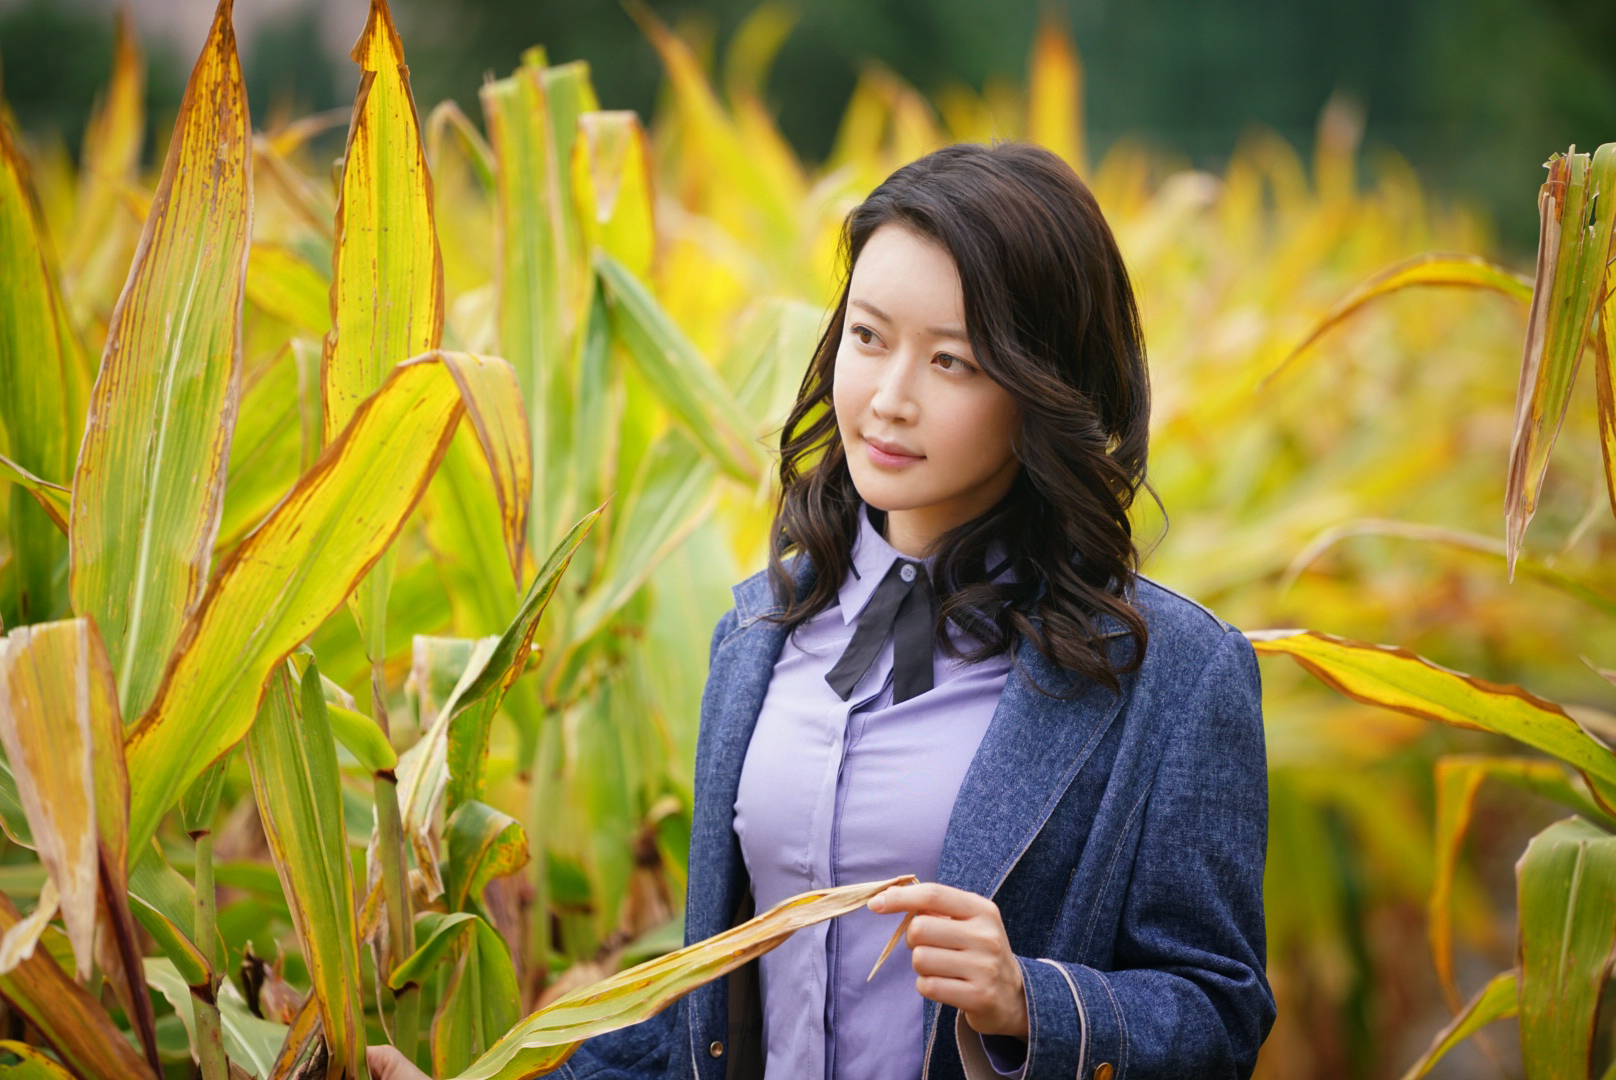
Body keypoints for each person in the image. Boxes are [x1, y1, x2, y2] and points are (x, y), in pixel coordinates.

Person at [371, 141, 1273, 1080]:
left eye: (953, 362)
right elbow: (707, 1029)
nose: (889, 400)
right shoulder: (761, 636)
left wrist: (1028, 1003)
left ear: (1044, 386)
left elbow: (1220, 1011)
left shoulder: (1170, 673)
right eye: (869, 337)